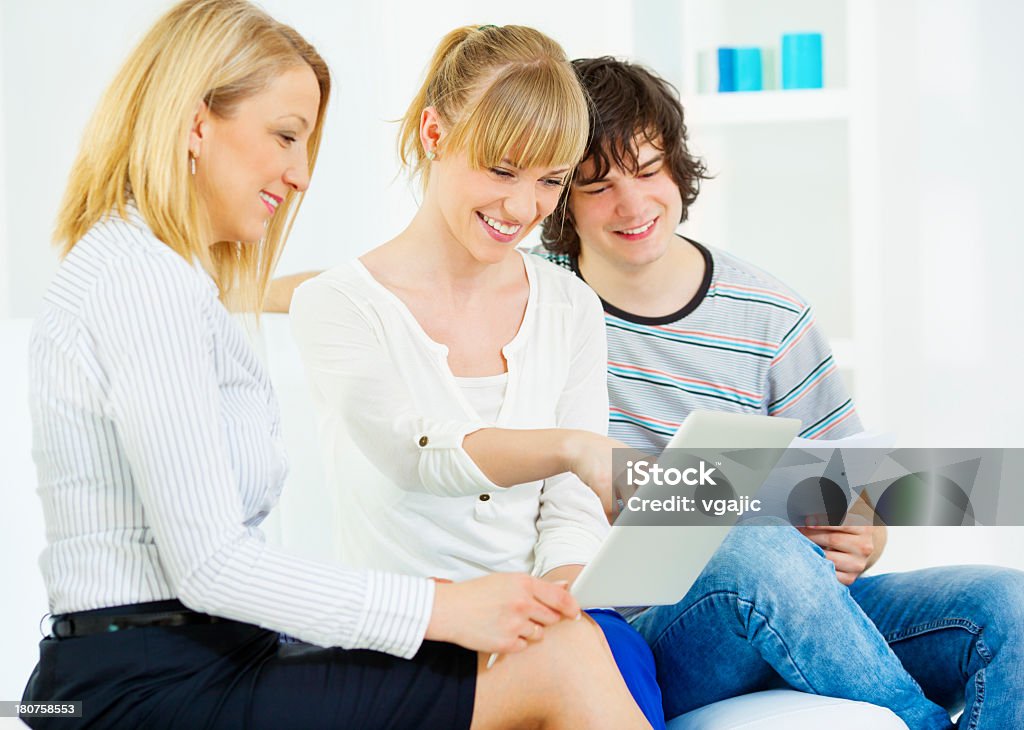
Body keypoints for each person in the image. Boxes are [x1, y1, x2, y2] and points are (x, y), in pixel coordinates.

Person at [20, 3, 652, 727]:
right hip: (137, 685)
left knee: (595, 638)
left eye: (549, 179)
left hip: (203, 655)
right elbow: (212, 566)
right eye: (285, 136)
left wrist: (540, 593)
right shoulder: (142, 282)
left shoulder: (165, 279)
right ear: (196, 124)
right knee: (567, 661)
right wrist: (445, 609)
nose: (299, 175)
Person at [536, 56, 1024, 729]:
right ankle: (919, 722)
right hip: (651, 639)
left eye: (649, 170)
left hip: (803, 603)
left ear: (677, 168)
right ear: (559, 194)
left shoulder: (767, 310)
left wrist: (864, 535)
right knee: (751, 550)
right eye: (598, 186)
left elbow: (860, 488)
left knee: (1010, 604)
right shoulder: (535, 304)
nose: (634, 204)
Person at [290, 26, 660, 729]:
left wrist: (563, 592)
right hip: (404, 645)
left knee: (601, 647)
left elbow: (570, 510)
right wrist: (572, 448)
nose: (523, 209)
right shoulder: (337, 305)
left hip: (540, 629)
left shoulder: (568, 304)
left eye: (551, 181)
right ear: (434, 131)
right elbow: (420, 452)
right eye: (502, 170)